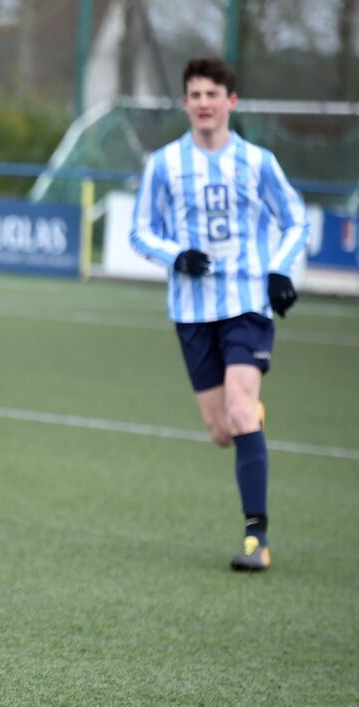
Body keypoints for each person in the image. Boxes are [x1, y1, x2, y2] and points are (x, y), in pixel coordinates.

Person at [130, 56, 308, 571]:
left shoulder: (258, 162)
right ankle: (245, 413)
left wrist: (278, 270)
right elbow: (141, 231)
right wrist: (175, 256)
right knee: (222, 429)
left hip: (248, 304)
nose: (204, 103)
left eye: (213, 94)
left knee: (238, 409)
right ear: (186, 103)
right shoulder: (164, 164)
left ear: (231, 101)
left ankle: (257, 536)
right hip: (191, 311)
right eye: (195, 94)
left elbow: (294, 220)